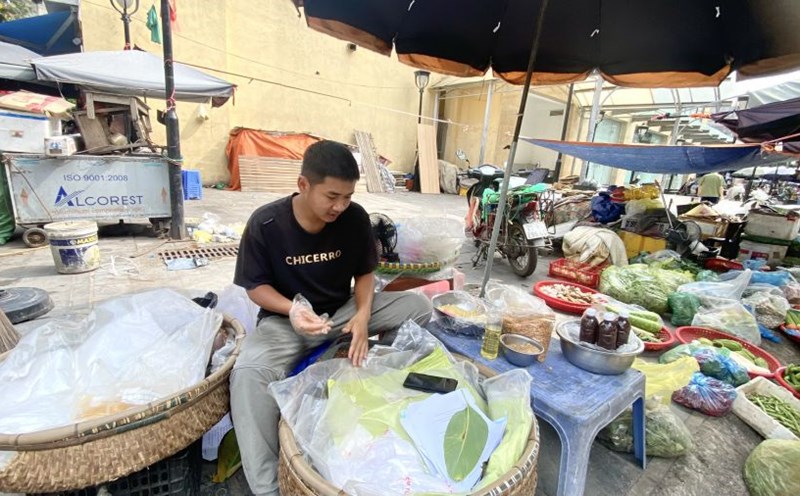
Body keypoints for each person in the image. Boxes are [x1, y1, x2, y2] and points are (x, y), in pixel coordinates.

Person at [230, 140, 433, 496]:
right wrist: (293, 310)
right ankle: (267, 487)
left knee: (419, 307)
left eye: (348, 196)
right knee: (247, 376)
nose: (340, 206)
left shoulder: (354, 219)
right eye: (332, 196)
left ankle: (379, 376)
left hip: (343, 312)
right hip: (287, 322)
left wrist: (363, 316)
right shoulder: (267, 223)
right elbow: (255, 287)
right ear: (303, 185)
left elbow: (365, 274)